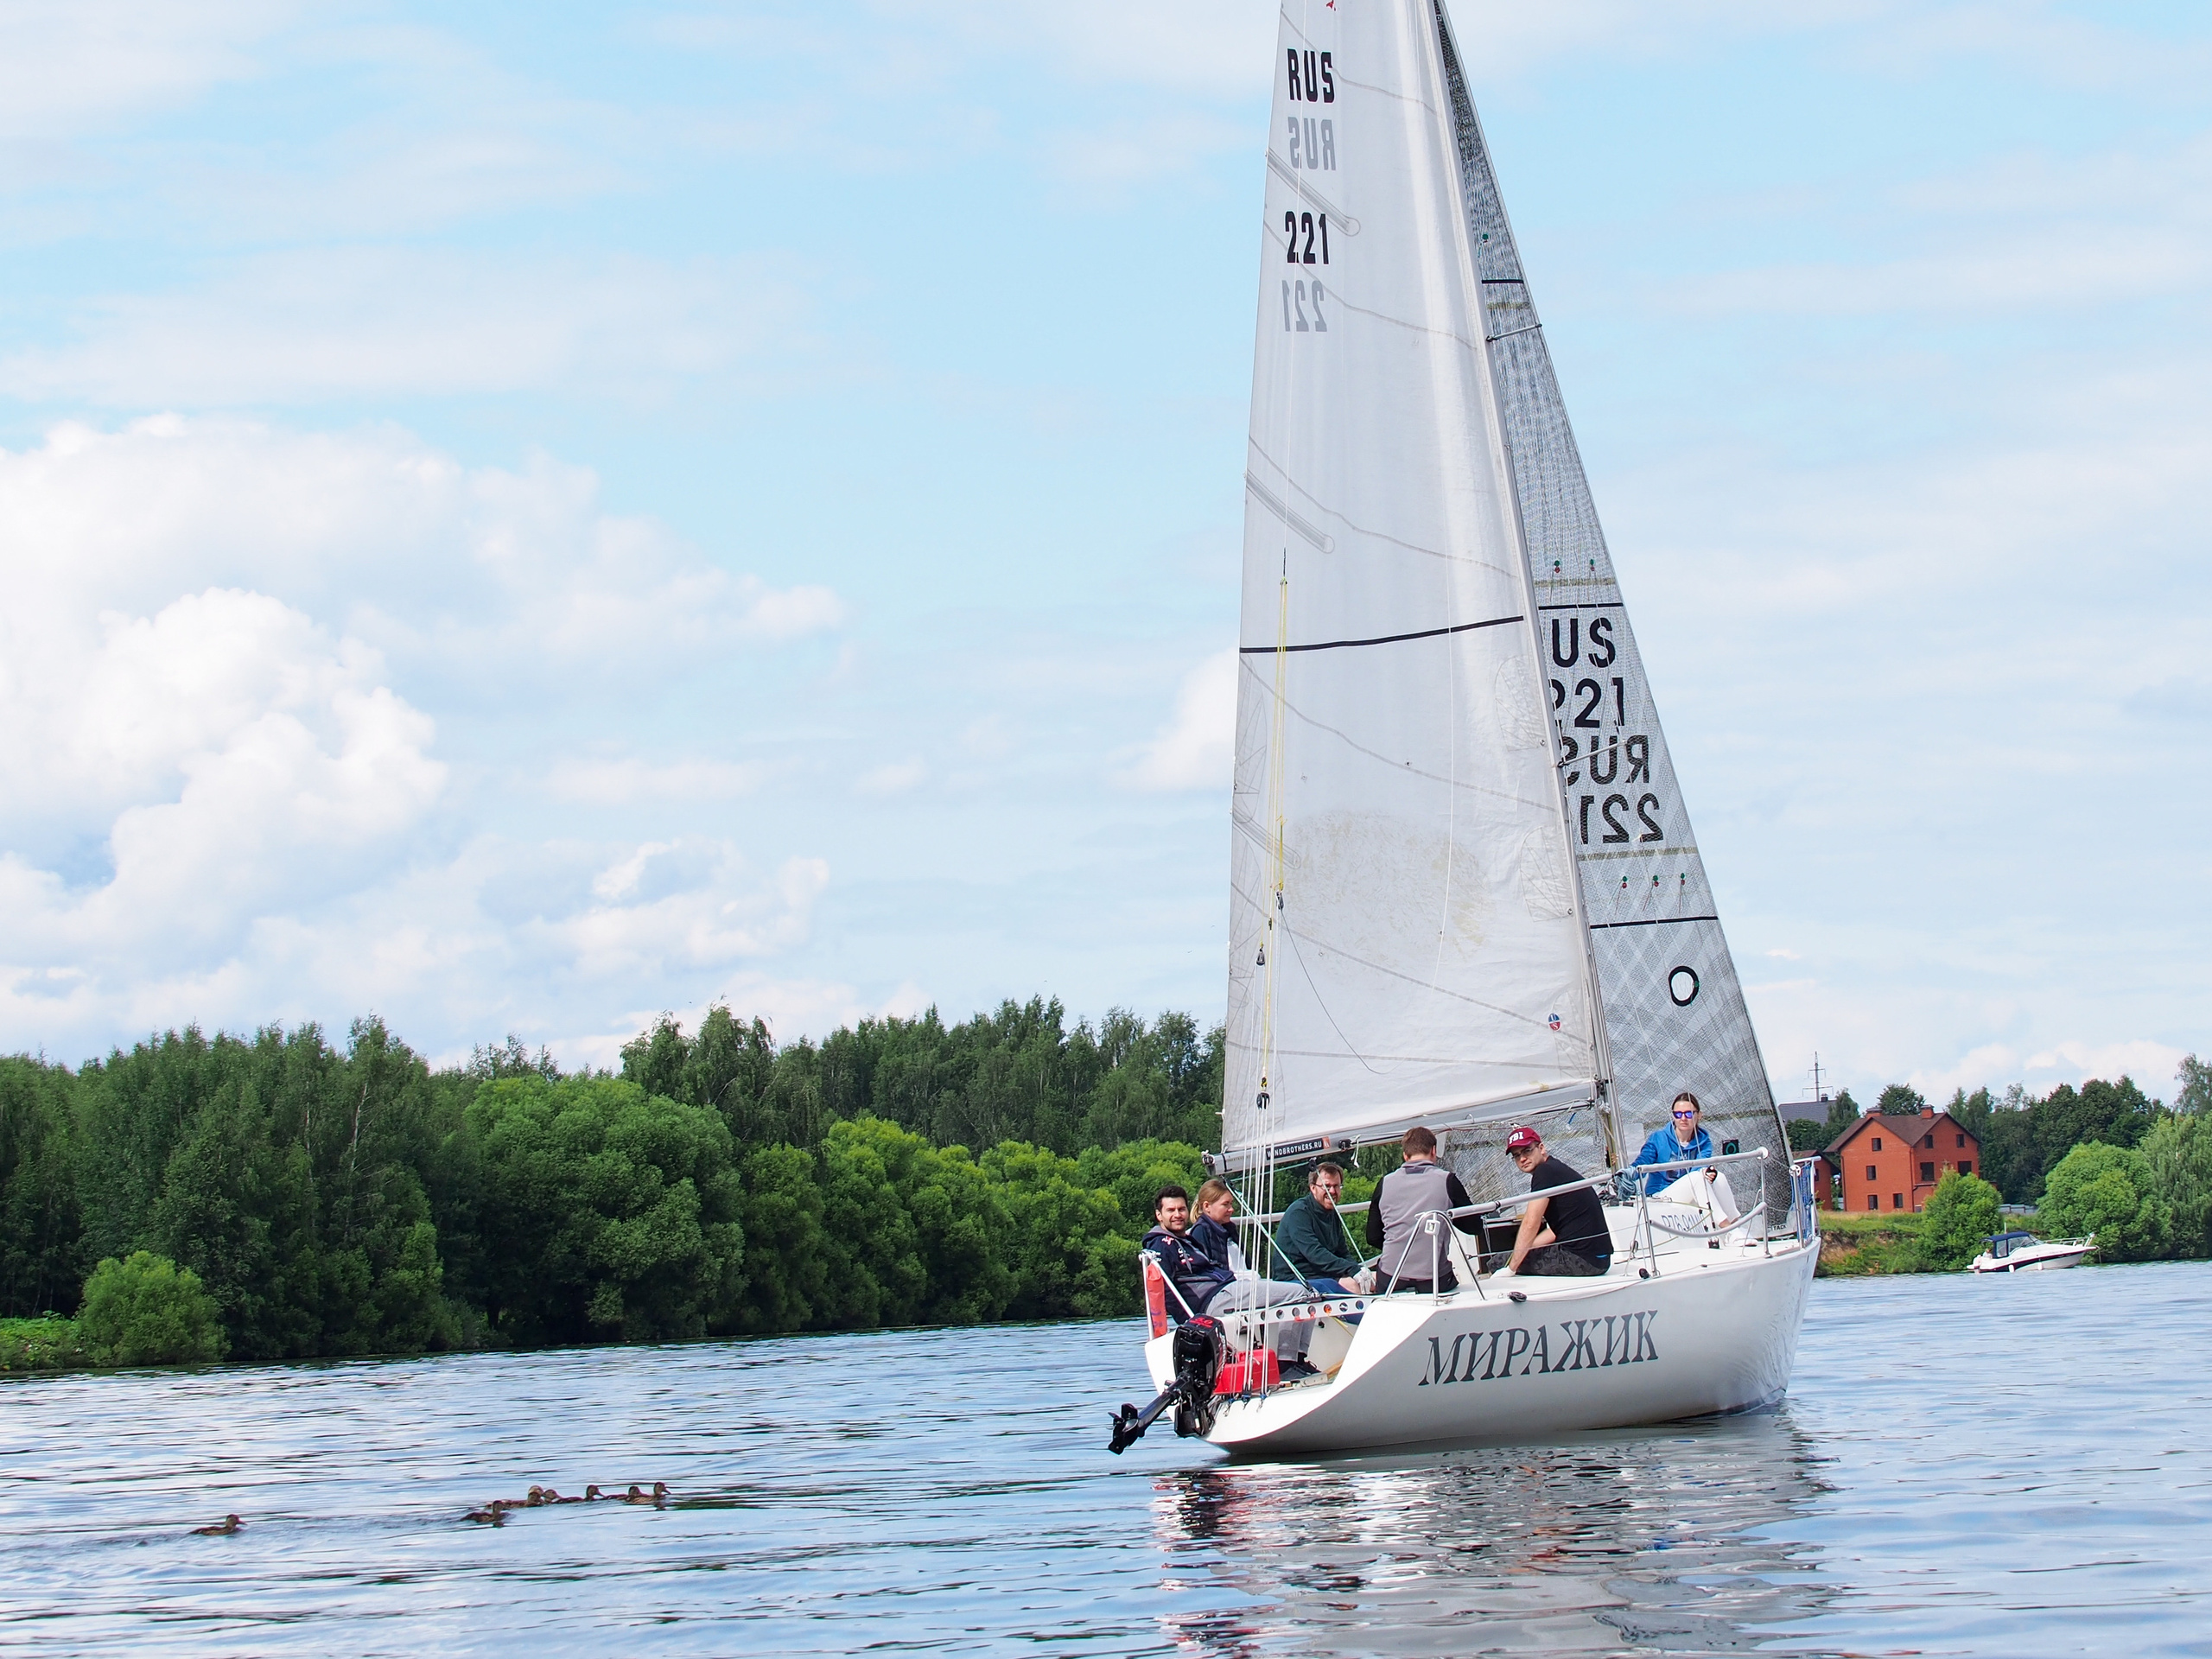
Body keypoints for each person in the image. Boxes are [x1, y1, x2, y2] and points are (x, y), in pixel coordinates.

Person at [1141, 1184, 1319, 1377]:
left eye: (1181, 1209)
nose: (1178, 1214)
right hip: (1214, 1299)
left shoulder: (1186, 1240)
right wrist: (1193, 1322)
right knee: (1300, 1293)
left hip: (1226, 1290)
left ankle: (1297, 1361)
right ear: (1159, 1215)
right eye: (1171, 1210)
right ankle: (1286, 1364)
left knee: (1309, 1293)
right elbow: (1165, 1290)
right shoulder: (1161, 1245)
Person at [1365, 1126, 1483, 1293]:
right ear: (1434, 1151)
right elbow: (1474, 1227)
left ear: (1405, 1155)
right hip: (1433, 1279)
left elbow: (1372, 1236)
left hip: (1391, 1277)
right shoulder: (1447, 1181)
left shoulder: (1384, 1184)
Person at [1499, 1125, 1613, 1276]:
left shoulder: (1544, 1172)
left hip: (1581, 1260)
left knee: (1499, 1261)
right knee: (1518, 1255)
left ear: (1541, 1148)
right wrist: (1528, 1249)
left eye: (1527, 1150)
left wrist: (1510, 1268)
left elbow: (1531, 1222)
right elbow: (1556, 1230)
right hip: (1600, 1261)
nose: (1522, 1159)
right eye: (1516, 1155)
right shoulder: (1556, 1168)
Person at [1273, 1162, 1374, 1298]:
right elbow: (1315, 1254)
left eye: (1336, 1186)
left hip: (1324, 1274)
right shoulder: (1299, 1213)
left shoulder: (1332, 1213)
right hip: (1297, 1278)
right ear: (1313, 1188)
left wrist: (1358, 1270)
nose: (1332, 1191)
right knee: (1357, 1288)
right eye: (1327, 1186)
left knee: (1375, 1281)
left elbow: (1342, 1252)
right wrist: (1351, 1269)